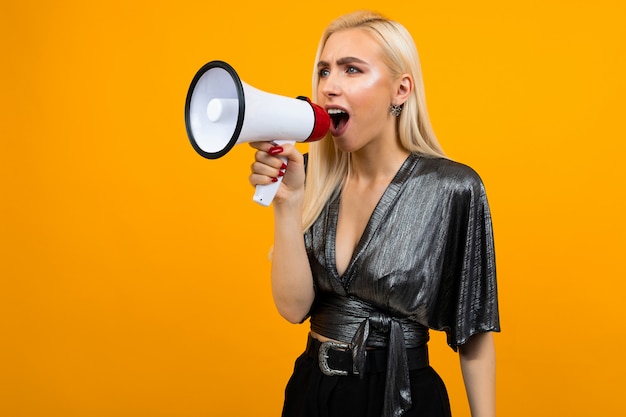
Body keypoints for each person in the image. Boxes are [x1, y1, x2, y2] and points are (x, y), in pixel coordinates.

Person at [248, 10, 500, 417]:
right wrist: (287, 202)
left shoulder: (452, 188)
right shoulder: (310, 178)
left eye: (351, 70)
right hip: (312, 393)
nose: (329, 86)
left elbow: (474, 335)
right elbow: (294, 309)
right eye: (324, 71)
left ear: (400, 90)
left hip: (401, 398)